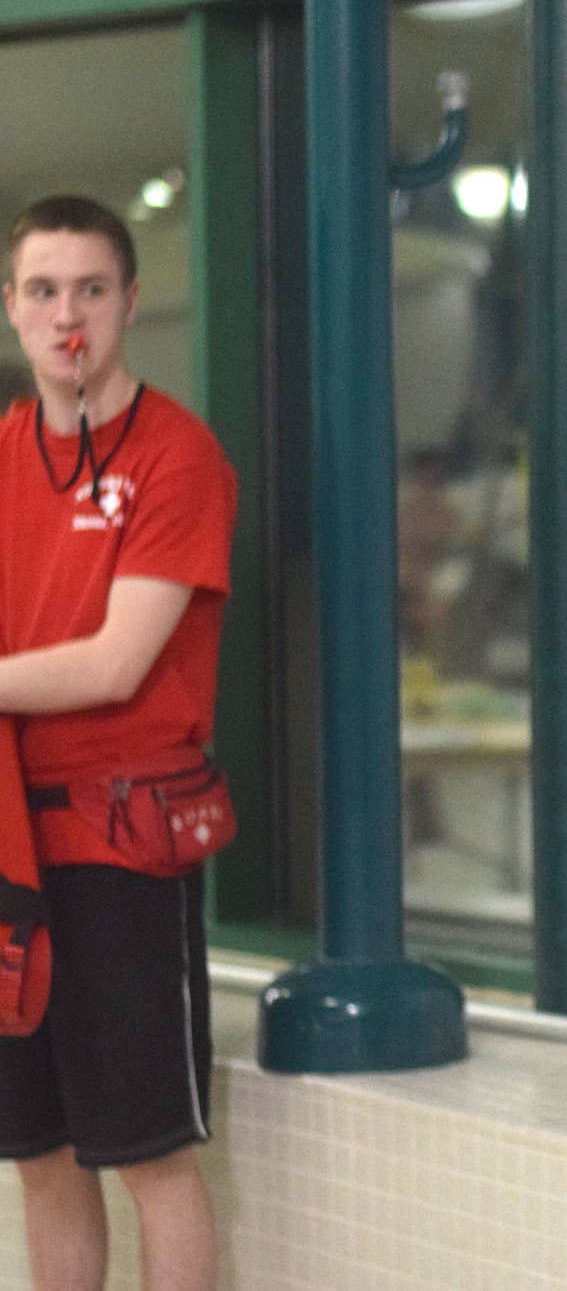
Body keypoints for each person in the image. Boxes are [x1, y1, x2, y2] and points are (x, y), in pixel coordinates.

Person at [0, 194, 237, 1290]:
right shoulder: (2, 454)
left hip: (120, 847)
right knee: (40, 1161)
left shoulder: (178, 457)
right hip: (9, 849)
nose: (67, 315)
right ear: (11, 310)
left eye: (90, 288)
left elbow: (114, 663)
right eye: (43, 290)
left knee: (147, 1158)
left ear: (129, 302)